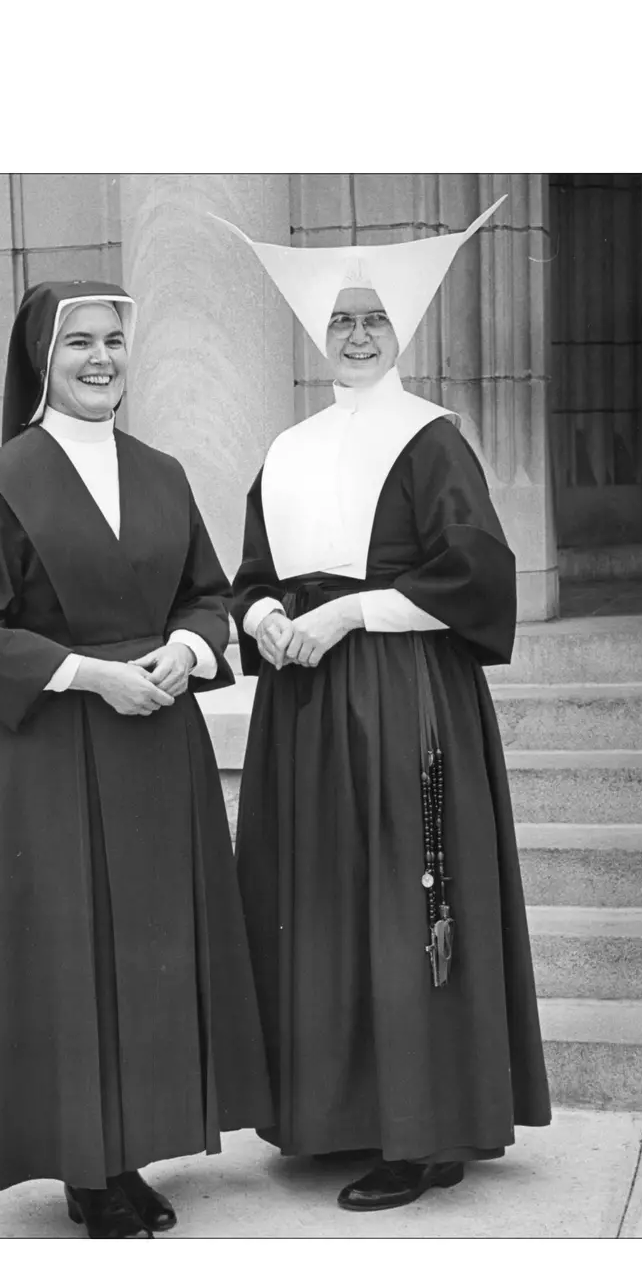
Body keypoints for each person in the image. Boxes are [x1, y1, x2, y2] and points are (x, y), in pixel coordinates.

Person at [215, 201, 551, 1211]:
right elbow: (251, 572)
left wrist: (351, 613)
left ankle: (423, 1133)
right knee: (319, 902)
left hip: (402, 697)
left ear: (399, 330)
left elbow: (474, 574)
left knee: (406, 900)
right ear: (319, 333)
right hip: (303, 705)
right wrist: (264, 615)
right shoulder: (287, 447)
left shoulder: (431, 439)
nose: (356, 335)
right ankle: (336, 1113)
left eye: (373, 319)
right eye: (341, 320)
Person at [0, 280, 272, 1237]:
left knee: (147, 956)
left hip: (156, 744)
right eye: (78, 341)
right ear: (42, 358)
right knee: (72, 959)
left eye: (114, 341)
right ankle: (88, 1168)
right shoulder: (1, 481)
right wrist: (90, 675)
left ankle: (128, 1152)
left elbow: (208, 593)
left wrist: (190, 649)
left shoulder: (160, 472)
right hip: (50, 752)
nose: (100, 358)